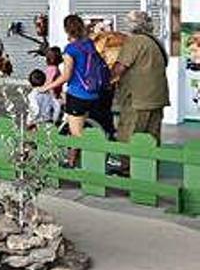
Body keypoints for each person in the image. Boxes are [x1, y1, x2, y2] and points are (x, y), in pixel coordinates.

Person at [40, 15, 110, 167]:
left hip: (77, 94)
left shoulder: (70, 50)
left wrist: (46, 87)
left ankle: (95, 161)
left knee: (77, 134)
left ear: (66, 30)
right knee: (76, 129)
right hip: (93, 93)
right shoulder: (89, 44)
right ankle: (71, 161)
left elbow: (66, 76)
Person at [112, 10, 169, 147]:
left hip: (138, 99)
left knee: (129, 135)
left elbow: (120, 68)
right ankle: (151, 165)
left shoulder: (135, 41)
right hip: (157, 97)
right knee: (152, 136)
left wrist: (106, 79)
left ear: (133, 25)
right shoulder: (156, 41)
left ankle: (128, 167)